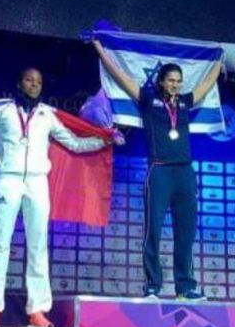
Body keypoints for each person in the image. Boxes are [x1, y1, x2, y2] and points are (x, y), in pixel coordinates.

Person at [0, 68, 110, 327]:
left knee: (38, 246)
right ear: (20, 84)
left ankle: (38, 311)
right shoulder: (3, 112)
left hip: (37, 182)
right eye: (29, 80)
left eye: (38, 82)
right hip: (9, 181)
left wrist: (104, 141)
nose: (34, 85)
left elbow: (74, 143)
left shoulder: (47, 116)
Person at [93, 40, 222, 300]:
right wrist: (99, 48)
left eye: (179, 81)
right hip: (159, 172)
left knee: (186, 233)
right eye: (171, 80)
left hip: (185, 173)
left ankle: (185, 287)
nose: (175, 84)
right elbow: (120, 76)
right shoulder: (148, 99)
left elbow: (208, 83)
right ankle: (152, 286)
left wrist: (219, 59)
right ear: (161, 81)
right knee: (153, 230)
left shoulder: (185, 101)